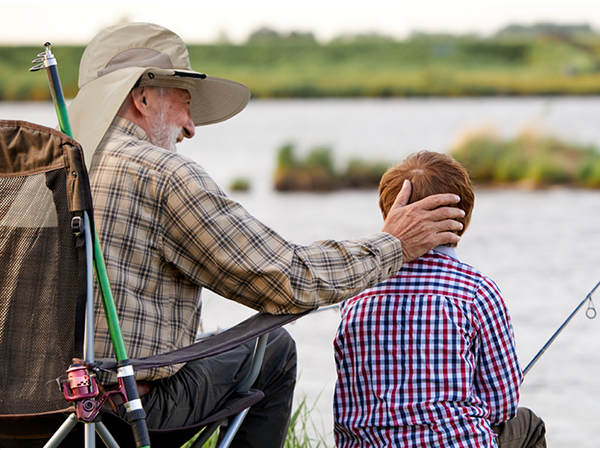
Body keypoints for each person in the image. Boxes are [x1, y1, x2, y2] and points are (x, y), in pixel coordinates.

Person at [67, 23, 464, 447]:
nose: (191, 127)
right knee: (272, 348)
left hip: (28, 415)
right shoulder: (160, 173)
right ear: (143, 98)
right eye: (184, 104)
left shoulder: (37, 173)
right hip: (117, 413)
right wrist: (394, 244)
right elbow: (288, 279)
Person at [333, 151, 547, 448]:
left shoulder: (355, 293)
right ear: (463, 220)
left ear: (392, 215)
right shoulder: (476, 292)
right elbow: (502, 405)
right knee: (528, 424)